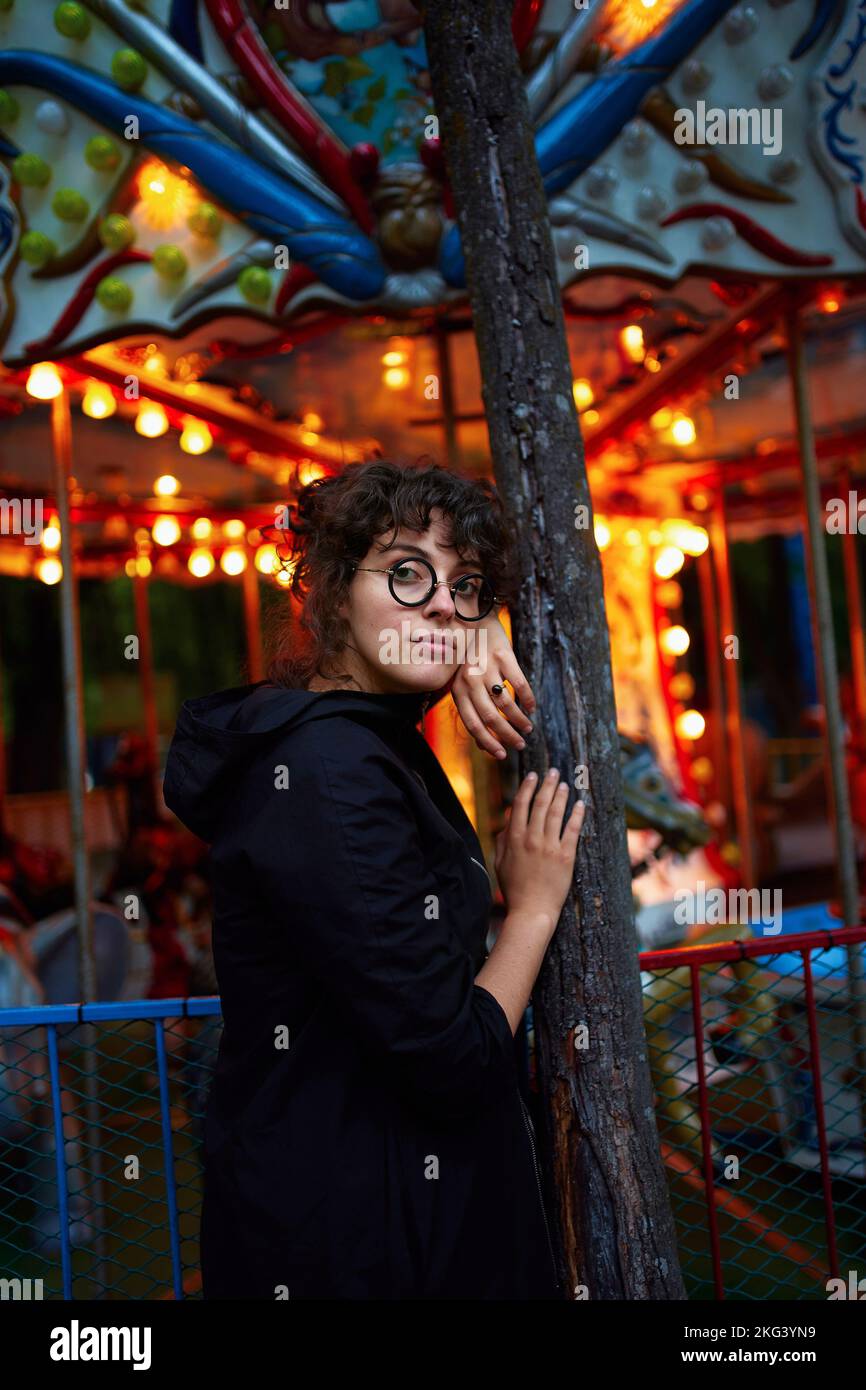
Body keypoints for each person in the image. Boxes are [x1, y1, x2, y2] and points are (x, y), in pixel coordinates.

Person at [163, 459, 584, 1300]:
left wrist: (482, 623)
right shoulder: (328, 769)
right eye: (404, 572)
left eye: (463, 584)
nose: (439, 602)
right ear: (325, 591)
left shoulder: (361, 739)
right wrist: (533, 911)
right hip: (362, 1239)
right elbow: (452, 1057)